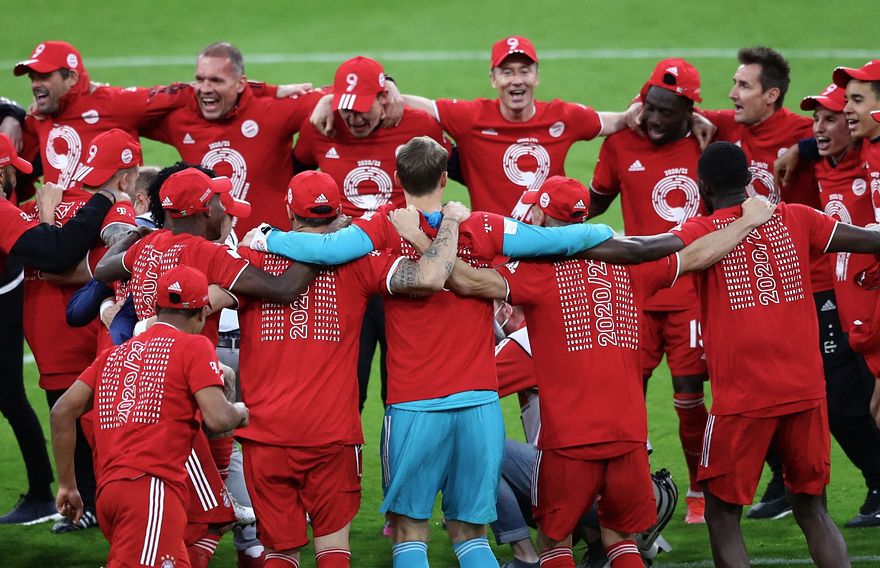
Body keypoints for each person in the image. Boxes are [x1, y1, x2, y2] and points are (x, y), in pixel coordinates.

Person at [393, 173, 776, 568]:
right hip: (630, 438)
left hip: (568, 442)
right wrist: (747, 222)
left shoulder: (535, 272)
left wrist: (422, 238)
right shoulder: (632, 263)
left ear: (540, 216)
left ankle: (519, 550)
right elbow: (697, 255)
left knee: (554, 543)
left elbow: (466, 281)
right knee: (621, 541)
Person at [228, 170, 464, 568]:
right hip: (332, 434)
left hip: (266, 436)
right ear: (338, 212)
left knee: (280, 551)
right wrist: (450, 223)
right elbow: (431, 276)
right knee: (333, 548)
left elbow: (203, 299)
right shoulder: (360, 264)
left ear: (289, 211)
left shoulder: (249, 258)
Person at [670, 140, 880, 567]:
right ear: (750, 179)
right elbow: (866, 239)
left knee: (722, 513)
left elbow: (664, 256)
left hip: (743, 399)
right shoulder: (798, 218)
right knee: (812, 508)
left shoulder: (701, 232)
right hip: (806, 391)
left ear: (703, 187)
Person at [312, 36, 641, 221]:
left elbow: (621, 120)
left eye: (524, 71)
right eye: (507, 72)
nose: (516, 80)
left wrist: (649, 111)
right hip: (492, 250)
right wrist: (341, 95)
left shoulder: (565, 117)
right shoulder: (470, 117)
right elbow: (415, 104)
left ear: (537, 76)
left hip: (549, 244)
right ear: (493, 79)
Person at [50, 264, 249, 567]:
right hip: (150, 490)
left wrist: (68, 485)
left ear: (155, 309)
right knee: (210, 519)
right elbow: (219, 420)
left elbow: (62, 411)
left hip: (110, 493)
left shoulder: (113, 355)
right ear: (201, 314)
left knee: (206, 528)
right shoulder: (194, 345)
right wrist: (240, 412)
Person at [588, 58, 709, 524]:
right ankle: (634, 491)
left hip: (691, 295)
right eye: (650, 108)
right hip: (634, 296)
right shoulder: (620, 144)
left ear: (689, 113)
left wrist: (706, 122)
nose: (655, 119)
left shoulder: (706, 142)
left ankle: (699, 490)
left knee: (689, 400)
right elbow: (594, 204)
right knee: (625, 399)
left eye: (667, 112)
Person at [294, 55, 450, 413]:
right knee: (344, 389)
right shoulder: (322, 125)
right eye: (346, 108)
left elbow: (446, 176)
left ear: (383, 97)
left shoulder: (419, 125)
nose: (353, 118)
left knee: (409, 389)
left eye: (362, 108)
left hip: (405, 274)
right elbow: (296, 174)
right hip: (344, 277)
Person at [18, 128, 141, 533]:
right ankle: (103, 504)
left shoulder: (36, 208)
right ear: (127, 178)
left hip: (50, 334)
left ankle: (86, 502)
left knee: (70, 420)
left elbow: (52, 262)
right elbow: (97, 265)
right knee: (102, 428)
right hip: (86, 334)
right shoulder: (110, 210)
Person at [142, 41, 330, 234]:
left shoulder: (272, 111)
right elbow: (123, 108)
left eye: (216, 81)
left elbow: (345, 93)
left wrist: (327, 100)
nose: (205, 88)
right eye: (199, 79)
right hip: (211, 250)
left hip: (270, 248)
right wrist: (263, 88)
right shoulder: (181, 121)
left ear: (240, 84)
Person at [800, 82, 880, 528]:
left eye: (832, 117)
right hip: (842, 300)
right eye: (817, 119)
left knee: (857, 402)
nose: (821, 128)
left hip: (869, 302)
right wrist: (800, 147)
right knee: (847, 402)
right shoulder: (820, 161)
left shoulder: (870, 156)